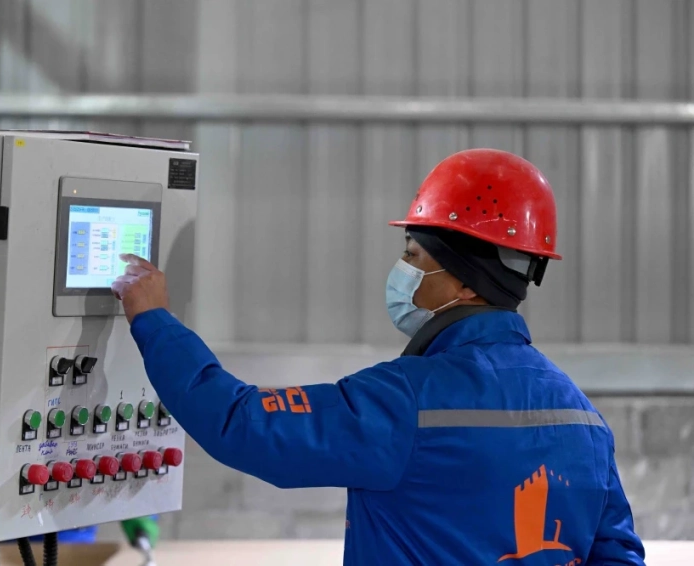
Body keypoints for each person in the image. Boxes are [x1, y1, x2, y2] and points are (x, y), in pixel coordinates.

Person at [111, 149, 646, 565]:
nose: (402, 271)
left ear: (466, 281)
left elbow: (242, 424)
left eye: (414, 255)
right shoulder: (583, 419)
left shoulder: (406, 401)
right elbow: (618, 555)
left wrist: (154, 321)